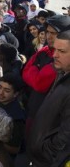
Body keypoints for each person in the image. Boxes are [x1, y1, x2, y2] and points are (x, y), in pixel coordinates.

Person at [28, 29, 70, 167]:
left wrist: (45, 153)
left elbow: (66, 136)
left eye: (62, 52)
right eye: (55, 50)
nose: (55, 55)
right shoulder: (61, 73)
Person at [22, 15, 70, 135]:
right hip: (33, 109)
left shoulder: (61, 59)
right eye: (47, 32)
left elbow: (39, 83)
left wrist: (33, 68)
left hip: (47, 120)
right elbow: (24, 72)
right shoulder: (45, 51)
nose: (48, 36)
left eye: (53, 33)